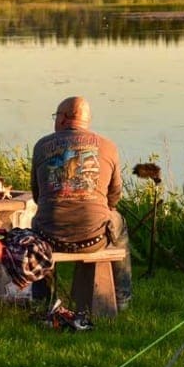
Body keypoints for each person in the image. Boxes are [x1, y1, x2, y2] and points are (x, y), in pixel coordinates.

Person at [30, 95, 133, 310]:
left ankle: (41, 298)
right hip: (94, 239)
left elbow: (38, 197)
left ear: (64, 118)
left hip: (50, 239)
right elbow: (114, 196)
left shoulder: (42, 146)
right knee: (118, 221)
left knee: (35, 226)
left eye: (56, 116)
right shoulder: (108, 147)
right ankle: (122, 297)